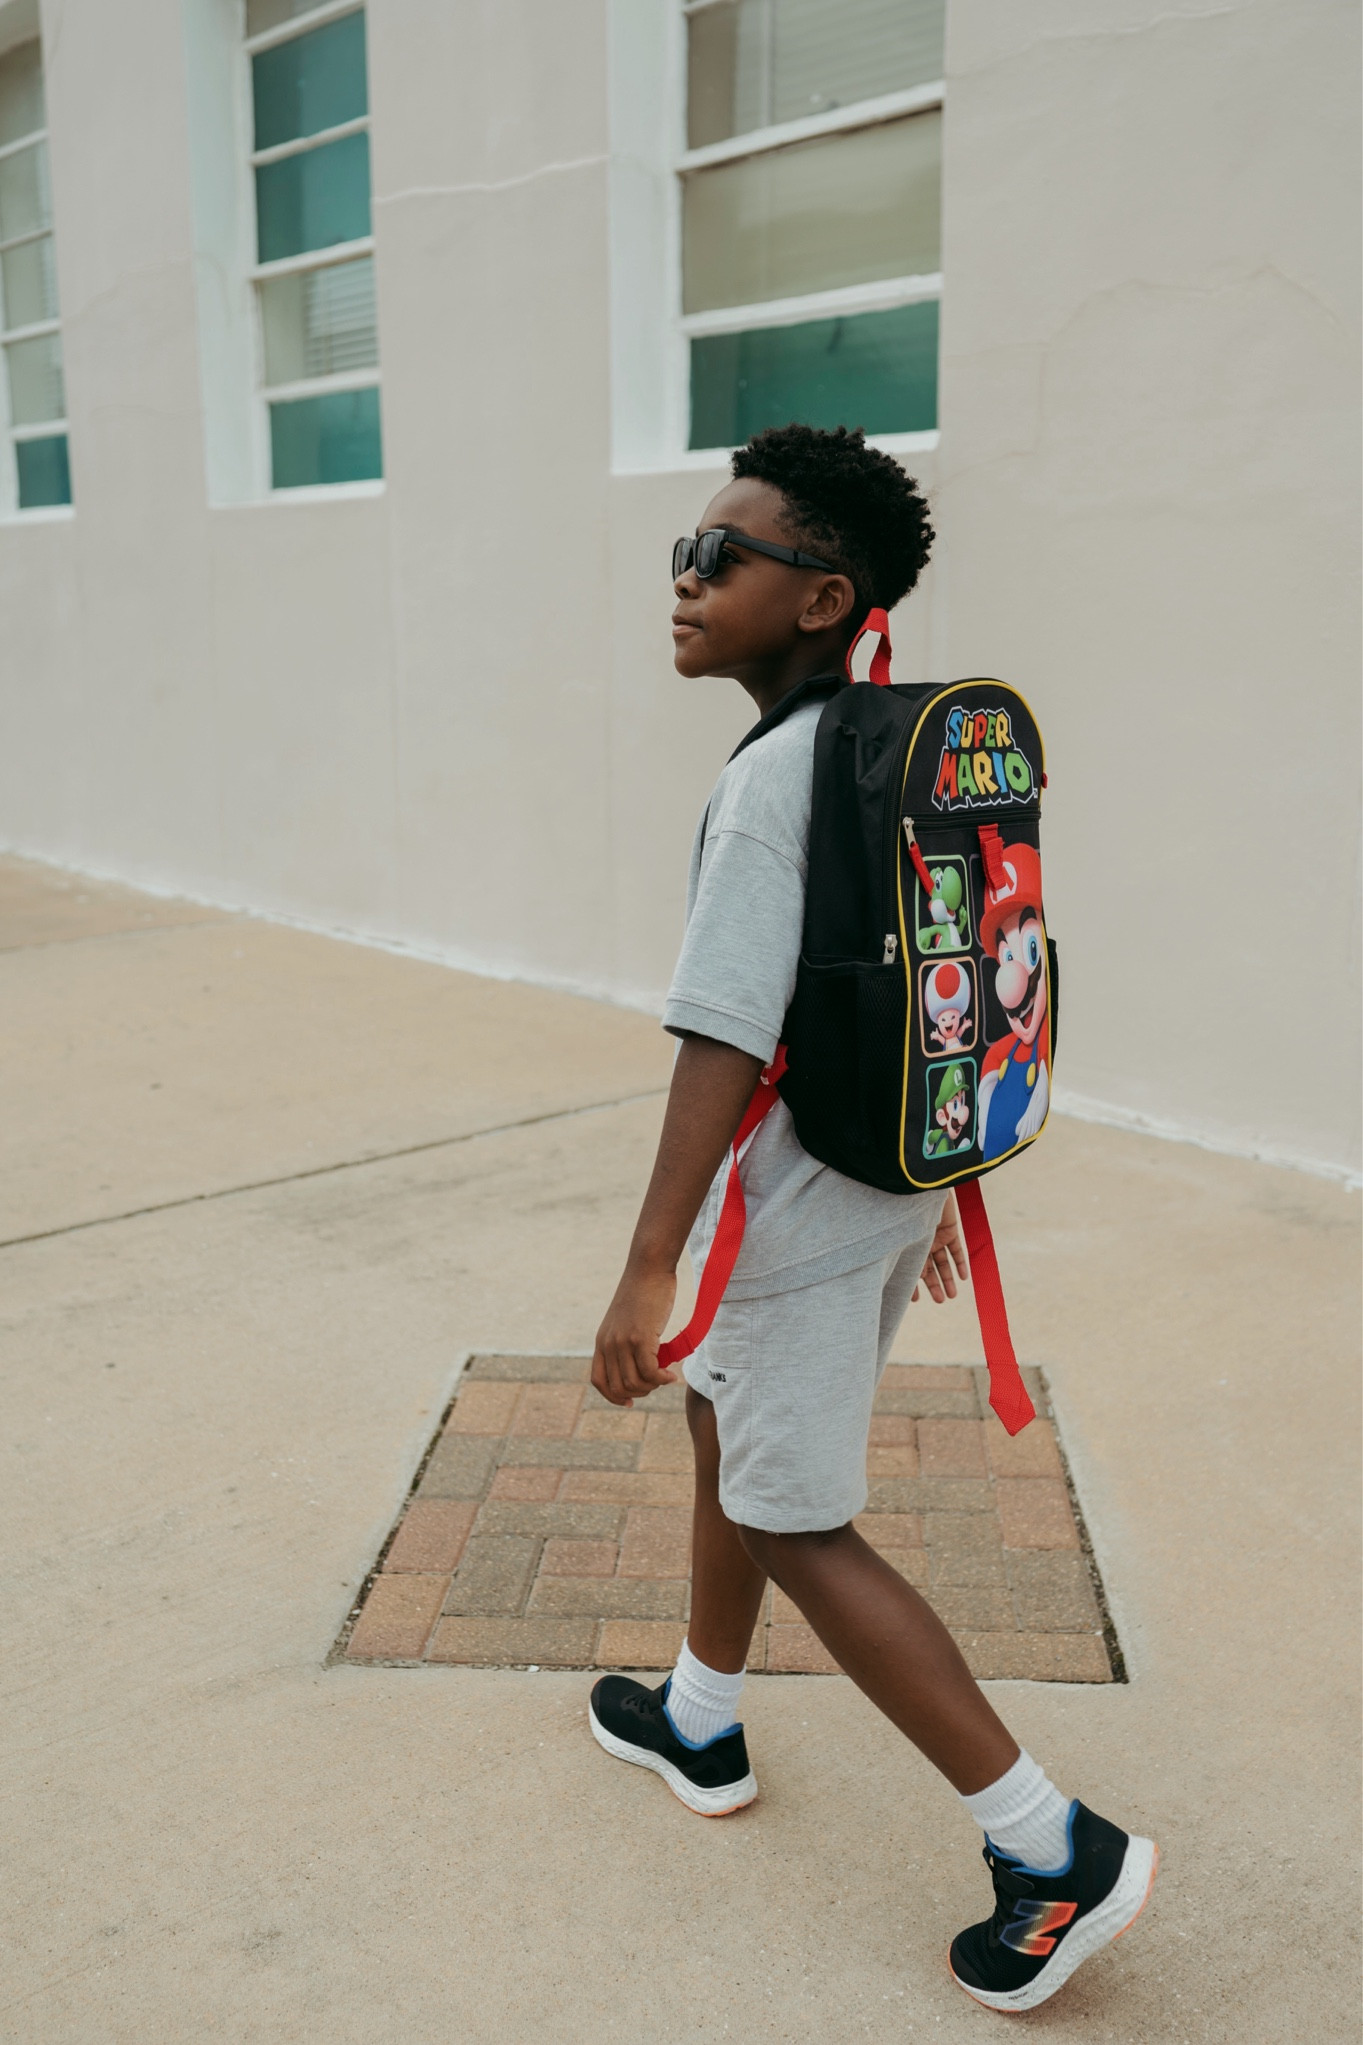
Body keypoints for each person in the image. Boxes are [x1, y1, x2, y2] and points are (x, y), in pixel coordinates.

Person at [586, 424, 1156, 2014]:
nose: (686, 579)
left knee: (792, 1512)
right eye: (684, 551)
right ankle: (700, 1713)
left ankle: (1051, 1845)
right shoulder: (878, 747)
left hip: (795, 1205)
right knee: (732, 1431)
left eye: (723, 555)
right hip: (883, 1173)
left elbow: (721, 1032)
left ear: (824, 596)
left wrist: (650, 1262)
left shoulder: (780, 781)